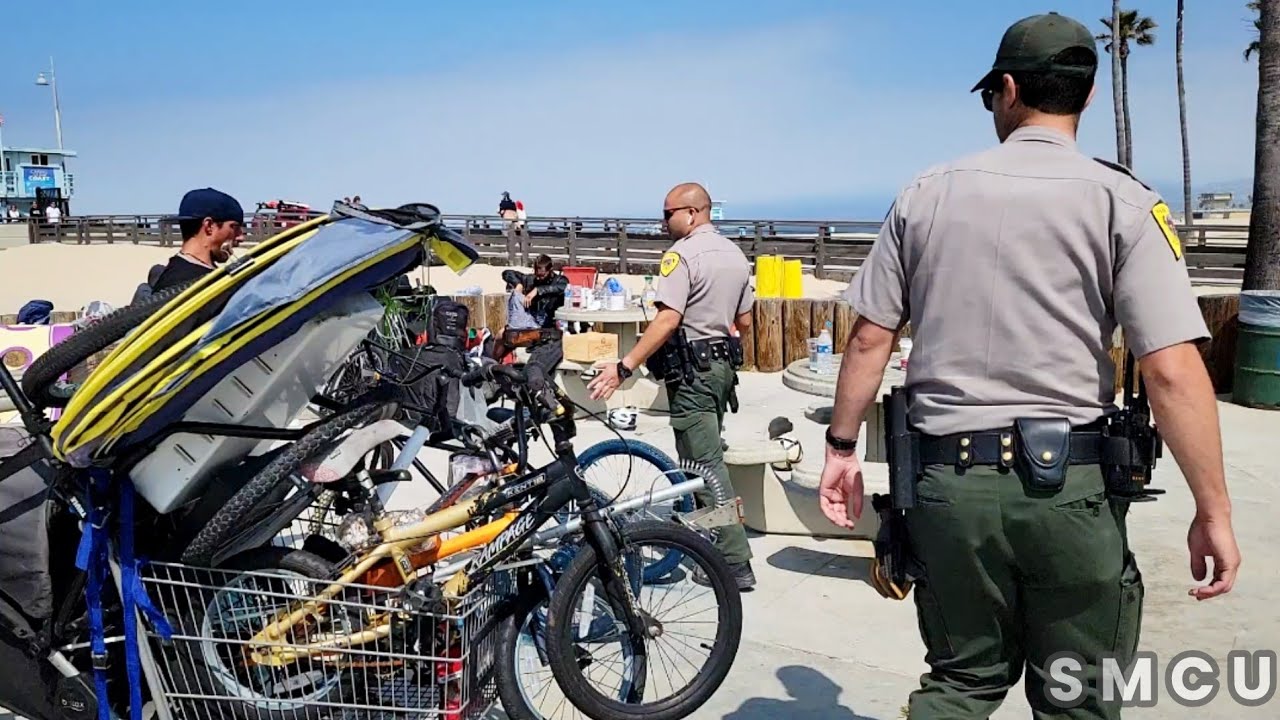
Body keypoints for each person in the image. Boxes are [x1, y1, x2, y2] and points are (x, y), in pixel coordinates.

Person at [816, 12, 1240, 718]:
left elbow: (868, 340)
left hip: (948, 489)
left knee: (959, 682)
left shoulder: (926, 194)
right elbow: (1170, 370)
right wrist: (1213, 509)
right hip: (1070, 491)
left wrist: (839, 448)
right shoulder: (1127, 203)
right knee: (1078, 694)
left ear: (1007, 90)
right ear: (1090, 94)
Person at [587, 182, 757, 589]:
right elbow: (746, 323)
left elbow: (667, 319)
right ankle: (714, 542)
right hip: (720, 370)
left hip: (694, 374)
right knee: (707, 456)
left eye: (668, 214)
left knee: (704, 465)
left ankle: (734, 562)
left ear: (694, 213)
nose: (663, 222)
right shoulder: (735, 255)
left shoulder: (680, 256)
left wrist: (624, 367)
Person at [149, 188, 245, 294]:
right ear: (209, 226)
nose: (241, 237)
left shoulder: (181, 275)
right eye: (235, 227)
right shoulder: (181, 283)